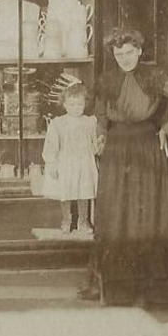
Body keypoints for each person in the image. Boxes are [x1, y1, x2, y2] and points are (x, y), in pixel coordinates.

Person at [86, 27, 168, 306]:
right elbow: (100, 114)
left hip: (147, 148)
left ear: (139, 51)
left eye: (129, 52)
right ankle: (118, 291)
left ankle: (159, 293)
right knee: (116, 216)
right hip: (116, 150)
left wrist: (167, 130)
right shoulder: (106, 80)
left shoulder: (155, 76)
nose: (124, 58)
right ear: (113, 54)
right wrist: (101, 136)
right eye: (118, 53)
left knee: (152, 215)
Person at [43, 81, 98, 235]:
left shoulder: (89, 122)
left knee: (84, 192)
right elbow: (51, 145)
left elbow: (94, 141)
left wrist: (97, 149)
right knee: (65, 192)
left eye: (79, 104)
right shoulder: (58, 123)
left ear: (85, 104)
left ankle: (83, 220)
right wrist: (51, 163)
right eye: (72, 104)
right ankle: (66, 219)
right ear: (65, 105)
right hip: (66, 163)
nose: (76, 108)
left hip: (84, 163)